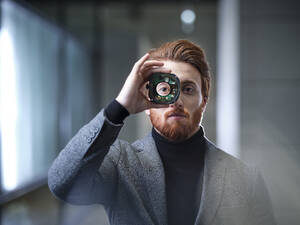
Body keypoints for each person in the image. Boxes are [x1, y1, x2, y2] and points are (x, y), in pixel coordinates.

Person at [48, 40, 276, 225]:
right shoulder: (119, 164)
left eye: (187, 89)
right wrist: (120, 108)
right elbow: (62, 183)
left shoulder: (246, 179)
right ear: (147, 100)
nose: (176, 100)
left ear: (203, 102)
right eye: (165, 89)